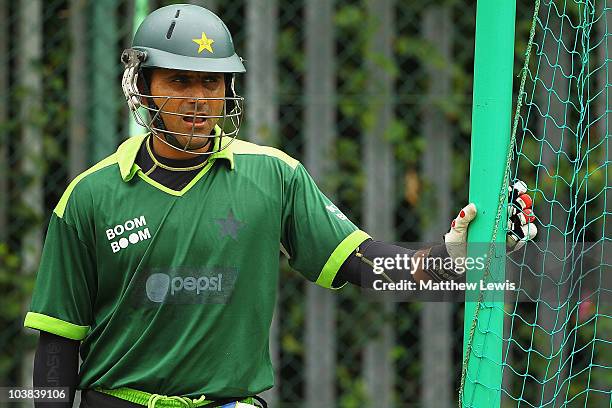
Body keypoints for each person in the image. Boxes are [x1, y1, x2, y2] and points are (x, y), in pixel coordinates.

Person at [23, 4, 537, 408]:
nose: (200, 99)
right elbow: (56, 345)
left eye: (212, 81)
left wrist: (452, 260)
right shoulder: (90, 196)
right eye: (179, 80)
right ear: (142, 87)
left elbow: (364, 266)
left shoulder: (274, 175)